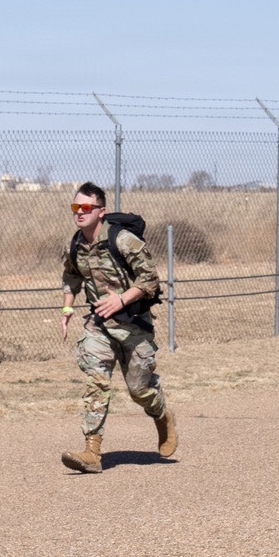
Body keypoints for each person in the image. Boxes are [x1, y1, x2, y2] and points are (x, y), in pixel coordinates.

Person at [59, 181, 177, 474]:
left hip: (134, 327)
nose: (79, 213)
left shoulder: (123, 240)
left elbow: (150, 280)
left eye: (86, 207)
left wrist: (121, 301)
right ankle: (92, 452)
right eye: (76, 207)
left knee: (139, 390)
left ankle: (162, 416)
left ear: (101, 211)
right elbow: (71, 276)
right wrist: (67, 307)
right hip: (99, 325)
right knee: (96, 380)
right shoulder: (76, 244)